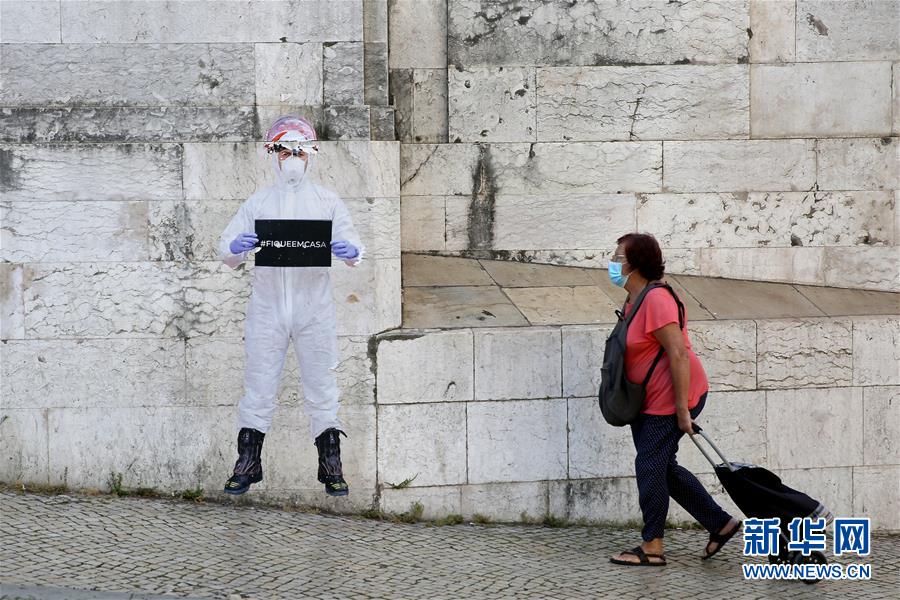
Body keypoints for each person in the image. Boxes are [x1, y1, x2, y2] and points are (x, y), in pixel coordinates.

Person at [218, 115, 362, 497]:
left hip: (313, 308)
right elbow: (225, 247)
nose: (292, 157)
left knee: (322, 384)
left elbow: (353, 244)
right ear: (273, 155)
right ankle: (248, 463)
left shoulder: (327, 201)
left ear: (310, 154)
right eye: (284, 150)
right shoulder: (259, 202)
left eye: (299, 150)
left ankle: (330, 465)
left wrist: (352, 252)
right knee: (259, 384)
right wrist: (235, 248)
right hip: (267, 308)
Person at [607, 233, 740, 567]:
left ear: (636, 263)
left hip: (673, 398)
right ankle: (719, 523)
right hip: (649, 401)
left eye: (618, 256)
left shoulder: (657, 299)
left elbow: (678, 354)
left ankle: (652, 546)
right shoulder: (633, 300)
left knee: (649, 464)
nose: (612, 261)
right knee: (663, 468)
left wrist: (682, 410)